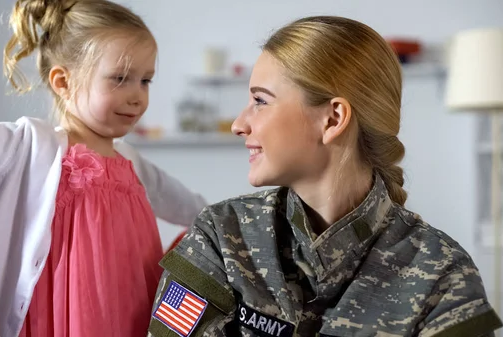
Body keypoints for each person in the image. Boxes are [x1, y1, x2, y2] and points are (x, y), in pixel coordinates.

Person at [147, 16, 503, 337]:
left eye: (260, 101)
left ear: (332, 119)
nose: (240, 124)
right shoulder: (220, 237)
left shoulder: (442, 275)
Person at [0, 0, 207, 336]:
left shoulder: (132, 163)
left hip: (133, 309)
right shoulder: (25, 148)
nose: (138, 96)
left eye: (146, 80)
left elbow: (199, 212)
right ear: (63, 82)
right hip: (64, 318)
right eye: (120, 79)